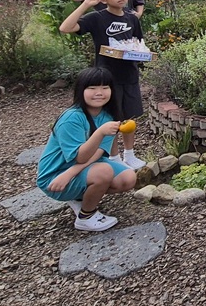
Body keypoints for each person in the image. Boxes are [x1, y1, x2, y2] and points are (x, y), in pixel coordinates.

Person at [60, 0, 147, 169]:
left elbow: (137, 43)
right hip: (107, 78)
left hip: (130, 75)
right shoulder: (97, 18)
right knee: (111, 118)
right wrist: (86, 4)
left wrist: (143, 54)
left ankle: (130, 154)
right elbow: (65, 28)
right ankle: (114, 157)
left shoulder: (132, 18)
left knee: (130, 118)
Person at [36, 67, 136, 232]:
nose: (99, 93)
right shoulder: (72, 118)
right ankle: (85, 217)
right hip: (55, 176)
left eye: (105, 87)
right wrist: (100, 132)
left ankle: (79, 197)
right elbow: (80, 157)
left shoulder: (107, 116)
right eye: (92, 88)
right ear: (81, 90)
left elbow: (98, 153)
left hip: (75, 170)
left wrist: (72, 173)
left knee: (128, 178)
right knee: (104, 172)